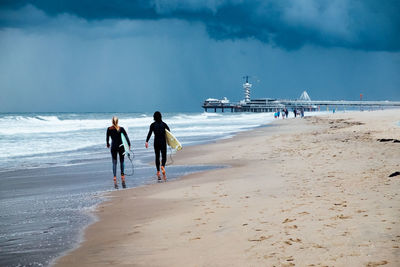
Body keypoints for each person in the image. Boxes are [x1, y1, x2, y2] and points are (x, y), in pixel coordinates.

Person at [106, 116, 131, 189]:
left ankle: (114, 177)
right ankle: (122, 175)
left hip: (113, 146)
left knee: (114, 162)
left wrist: (108, 144)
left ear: (112, 121)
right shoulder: (121, 129)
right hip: (121, 147)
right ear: (117, 121)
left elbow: (107, 138)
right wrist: (129, 145)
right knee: (122, 161)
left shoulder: (109, 129)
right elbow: (126, 137)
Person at [145, 111, 170, 181]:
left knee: (157, 156)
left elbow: (149, 133)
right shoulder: (164, 124)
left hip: (156, 142)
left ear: (154, 117)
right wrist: (170, 142)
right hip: (163, 142)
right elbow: (169, 133)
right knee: (164, 156)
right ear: (161, 116)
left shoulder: (152, 125)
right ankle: (162, 166)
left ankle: (158, 171)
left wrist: (146, 141)